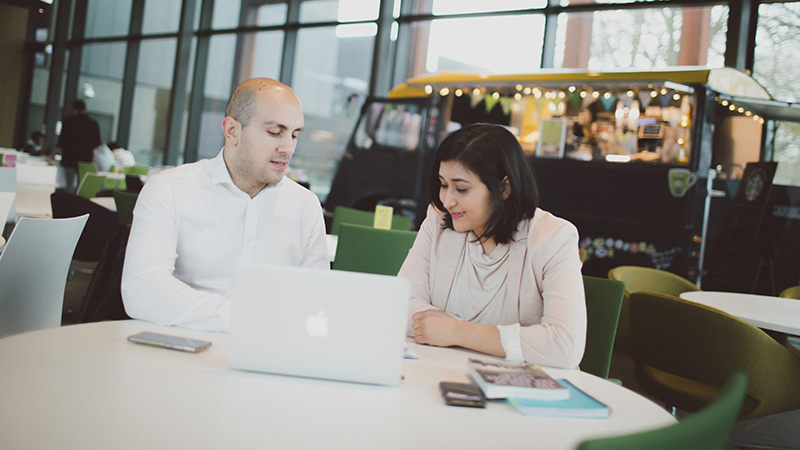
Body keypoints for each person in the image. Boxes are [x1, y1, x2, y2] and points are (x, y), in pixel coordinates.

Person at [121, 78, 330, 332]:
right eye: (275, 132)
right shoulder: (170, 189)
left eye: (295, 135)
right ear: (232, 131)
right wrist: (246, 319)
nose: (288, 148)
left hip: (269, 352)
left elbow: (316, 300)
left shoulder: (305, 206)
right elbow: (141, 290)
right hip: (180, 347)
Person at [397, 123, 586, 369]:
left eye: (461, 188)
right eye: (443, 184)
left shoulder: (553, 237)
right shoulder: (439, 220)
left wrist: (457, 332)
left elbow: (564, 346)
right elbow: (401, 303)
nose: (447, 200)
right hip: (440, 372)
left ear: (504, 187)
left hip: (519, 389)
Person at [57, 99, 102, 192]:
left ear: (74, 108)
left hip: (69, 157)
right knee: (82, 186)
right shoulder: (93, 124)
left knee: (69, 185)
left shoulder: (67, 121)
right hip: (85, 159)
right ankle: (79, 204)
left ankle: (69, 204)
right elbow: (97, 142)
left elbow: (62, 141)